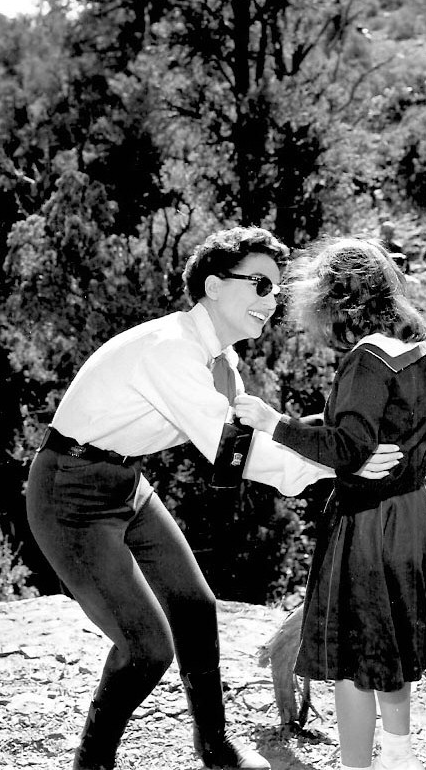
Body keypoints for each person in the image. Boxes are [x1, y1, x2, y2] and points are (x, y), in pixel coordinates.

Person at [25, 226, 403, 770]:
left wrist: (343, 441)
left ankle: (216, 748)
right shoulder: (170, 351)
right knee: (146, 648)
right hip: (69, 492)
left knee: (196, 606)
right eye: (259, 285)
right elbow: (235, 452)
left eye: (276, 290)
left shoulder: (221, 362)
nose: (271, 301)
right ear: (213, 286)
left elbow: (258, 437)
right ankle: (92, 764)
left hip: (123, 483)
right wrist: (340, 463)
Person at [234, 237, 426, 770]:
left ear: (335, 299)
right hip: (411, 514)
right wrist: (342, 443)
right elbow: (370, 434)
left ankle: (356, 766)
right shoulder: (413, 344)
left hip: (369, 525)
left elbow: (348, 447)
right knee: (394, 653)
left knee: (356, 662)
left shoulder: (365, 360)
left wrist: (275, 423)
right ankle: (398, 757)